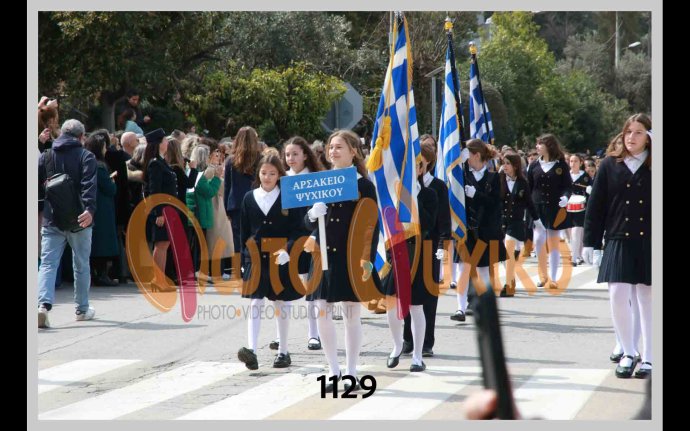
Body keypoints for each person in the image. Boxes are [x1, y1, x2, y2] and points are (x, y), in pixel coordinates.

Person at [304, 130, 381, 391]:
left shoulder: (364, 185)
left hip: (350, 257)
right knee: (321, 310)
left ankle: (351, 371)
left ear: (353, 152)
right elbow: (305, 222)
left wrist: (367, 259)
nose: (333, 151)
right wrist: (312, 214)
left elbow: (371, 226)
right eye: (331, 147)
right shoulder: (321, 181)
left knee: (351, 313)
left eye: (339, 147)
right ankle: (333, 371)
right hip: (323, 255)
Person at [584, 113, 652, 379]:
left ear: (649, 137)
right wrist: (591, 242)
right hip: (617, 237)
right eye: (628, 131)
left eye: (638, 132)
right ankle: (628, 351)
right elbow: (596, 205)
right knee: (617, 294)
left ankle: (650, 356)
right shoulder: (610, 164)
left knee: (646, 299)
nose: (631, 137)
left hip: (649, 240)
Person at [236, 154, 303, 370]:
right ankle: (252, 351)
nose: (267, 177)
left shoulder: (287, 197)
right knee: (255, 302)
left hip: (279, 257)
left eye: (272, 173)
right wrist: (243, 259)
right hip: (255, 257)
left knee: (280, 303)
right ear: (258, 173)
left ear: (279, 175)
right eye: (264, 173)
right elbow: (243, 231)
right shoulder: (249, 197)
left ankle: (283, 350)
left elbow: (297, 229)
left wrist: (288, 250)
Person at [37, 119, 97, 328]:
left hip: (51, 217)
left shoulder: (46, 155)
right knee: (81, 264)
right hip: (79, 218)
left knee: (47, 263)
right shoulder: (86, 156)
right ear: (81, 137)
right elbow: (89, 184)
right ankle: (82, 309)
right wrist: (89, 209)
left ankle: (42, 306)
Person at [269, 136, 324, 352]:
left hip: (311, 238)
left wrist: (315, 233)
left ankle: (314, 334)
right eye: (287, 154)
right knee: (283, 288)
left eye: (295, 154)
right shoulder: (283, 180)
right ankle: (280, 336)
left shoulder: (315, 179)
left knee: (311, 288)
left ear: (305, 155)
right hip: (288, 240)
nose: (290, 158)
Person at [383, 152, 437, 372]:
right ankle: (397, 345)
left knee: (416, 306)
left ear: (422, 169)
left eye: (417, 166)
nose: (412, 170)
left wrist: (412, 199)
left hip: (418, 254)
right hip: (396, 253)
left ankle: (417, 355)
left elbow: (428, 223)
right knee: (392, 304)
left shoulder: (429, 194)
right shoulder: (391, 194)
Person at [450, 139, 507, 321]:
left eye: (468, 155)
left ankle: (487, 307)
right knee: (463, 269)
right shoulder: (463, 175)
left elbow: (495, 205)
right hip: (467, 231)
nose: (467, 159)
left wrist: (477, 195)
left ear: (476, 155)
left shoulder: (494, 177)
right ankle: (460, 308)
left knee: (483, 271)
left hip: (485, 231)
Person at [402, 143, 450, 357]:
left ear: (426, 163)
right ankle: (407, 339)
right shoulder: (403, 187)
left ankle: (427, 342)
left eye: (418, 162)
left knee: (428, 296)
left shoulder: (437, 186)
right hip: (407, 247)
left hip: (430, 246)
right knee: (406, 293)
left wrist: (442, 244)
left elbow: (441, 220)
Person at [527, 134, 573, 289]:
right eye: (537, 143)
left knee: (553, 243)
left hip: (555, 208)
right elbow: (529, 186)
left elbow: (568, 186)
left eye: (540, 144)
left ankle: (553, 278)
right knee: (539, 240)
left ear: (549, 146)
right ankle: (542, 275)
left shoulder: (561, 165)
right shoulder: (534, 165)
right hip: (537, 208)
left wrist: (566, 197)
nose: (537, 146)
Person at [142, 128, 177, 292]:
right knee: (161, 244)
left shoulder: (161, 162)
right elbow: (154, 191)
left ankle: (160, 279)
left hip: (168, 209)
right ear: (158, 144)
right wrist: (159, 212)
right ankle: (158, 279)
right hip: (161, 210)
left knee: (165, 244)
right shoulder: (155, 163)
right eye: (164, 140)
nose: (167, 142)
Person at [499, 153, 537, 297]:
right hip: (501, 222)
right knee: (504, 255)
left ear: (515, 166)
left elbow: (529, 203)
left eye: (508, 163)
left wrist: (537, 220)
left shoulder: (523, 182)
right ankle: (511, 279)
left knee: (508, 247)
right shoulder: (498, 179)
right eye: (503, 163)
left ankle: (509, 285)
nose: (504, 166)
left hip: (516, 222)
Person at [224, 126, 262, 255]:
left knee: (238, 240)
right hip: (256, 202)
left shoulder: (230, 161)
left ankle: (241, 265)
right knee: (255, 237)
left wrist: (227, 209)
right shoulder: (260, 159)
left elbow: (227, 186)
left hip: (236, 205)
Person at [568, 153, 592, 266]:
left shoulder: (585, 176)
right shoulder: (566, 175)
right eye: (571, 161)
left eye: (575, 161)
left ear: (581, 163)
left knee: (577, 231)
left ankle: (575, 257)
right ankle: (577, 254)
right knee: (570, 233)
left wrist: (590, 190)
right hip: (567, 206)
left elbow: (593, 188)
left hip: (581, 207)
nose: (573, 163)